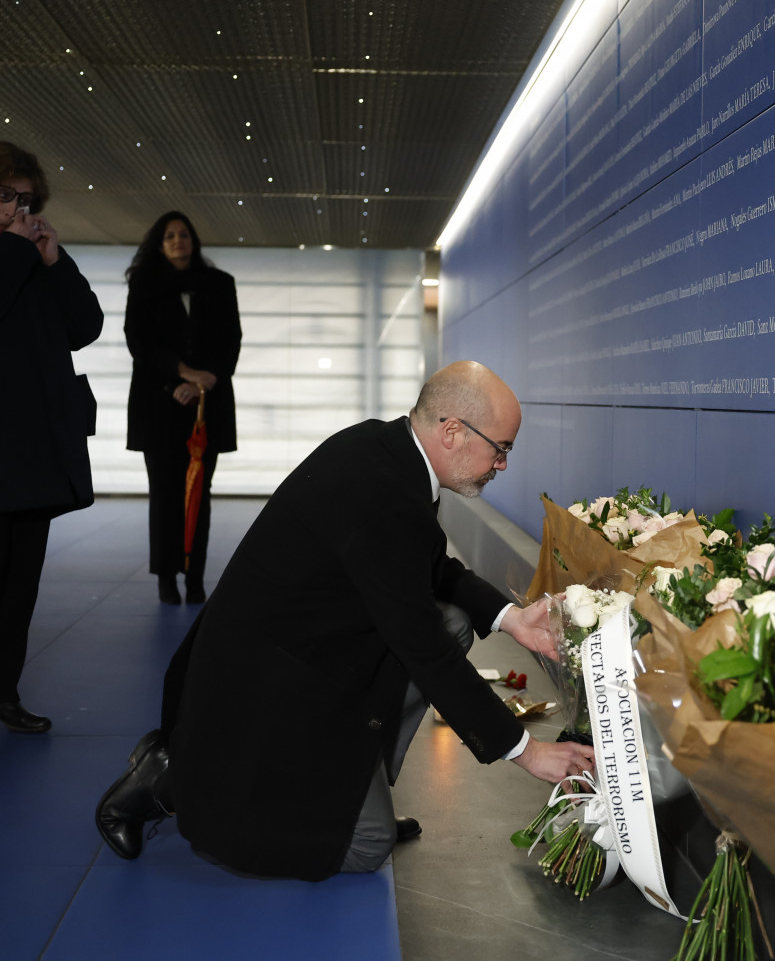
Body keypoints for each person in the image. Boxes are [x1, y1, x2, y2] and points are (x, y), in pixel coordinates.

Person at [96, 360, 595, 880]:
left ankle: (356, 785)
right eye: (502, 449)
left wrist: (512, 618)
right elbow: (420, 644)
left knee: (454, 623)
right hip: (266, 687)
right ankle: (170, 778)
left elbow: (428, 566)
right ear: (452, 432)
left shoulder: (389, 452)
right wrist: (527, 751)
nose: (503, 465)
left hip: (308, 652)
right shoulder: (382, 488)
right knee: (366, 844)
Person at [0, 141, 103, 733]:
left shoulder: (33, 258)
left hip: (35, 450)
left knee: (19, 588)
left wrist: (53, 259)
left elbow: (84, 326)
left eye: (27, 198)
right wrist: (16, 252)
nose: (19, 209)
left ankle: (4, 691)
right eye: (6, 195)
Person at [124, 211, 241, 605]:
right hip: (159, 403)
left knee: (198, 494)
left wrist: (204, 380)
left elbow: (231, 341)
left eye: (185, 234)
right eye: (170, 235)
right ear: (159, 244)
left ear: (194, 241)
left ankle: (194, 576)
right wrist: (183, 376)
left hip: (205, 405)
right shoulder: (143, 284)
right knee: (165, 494)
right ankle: (166, 577)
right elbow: (139, 343)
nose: (178, 240)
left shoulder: (220, 284)